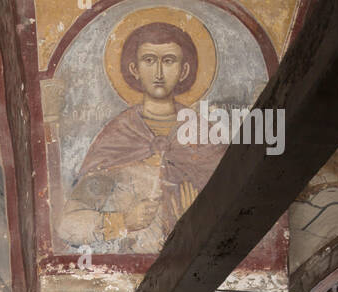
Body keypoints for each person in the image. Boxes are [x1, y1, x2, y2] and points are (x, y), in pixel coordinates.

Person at [59, 21, 220, 252]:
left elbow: (237, 207)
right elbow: (67, 225)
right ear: (134, 69)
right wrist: (123, 222)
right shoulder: (118, 136)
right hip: (127, 266)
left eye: (169, 61)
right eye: (149, 60)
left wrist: (199, 218)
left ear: (184, 70)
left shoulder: (205, 134)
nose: (158, 73)